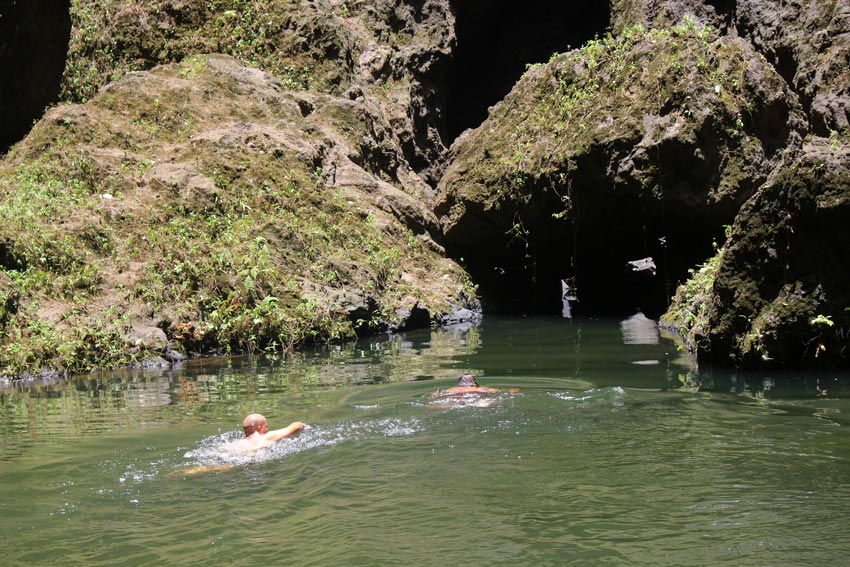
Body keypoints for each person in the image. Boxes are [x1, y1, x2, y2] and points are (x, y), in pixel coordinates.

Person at [234, 413, 305, 452]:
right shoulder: (267, 437)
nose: (267, 429)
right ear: (259, 428)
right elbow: (296, 427)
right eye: (266, 426)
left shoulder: (237, 443)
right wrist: (302, 424)